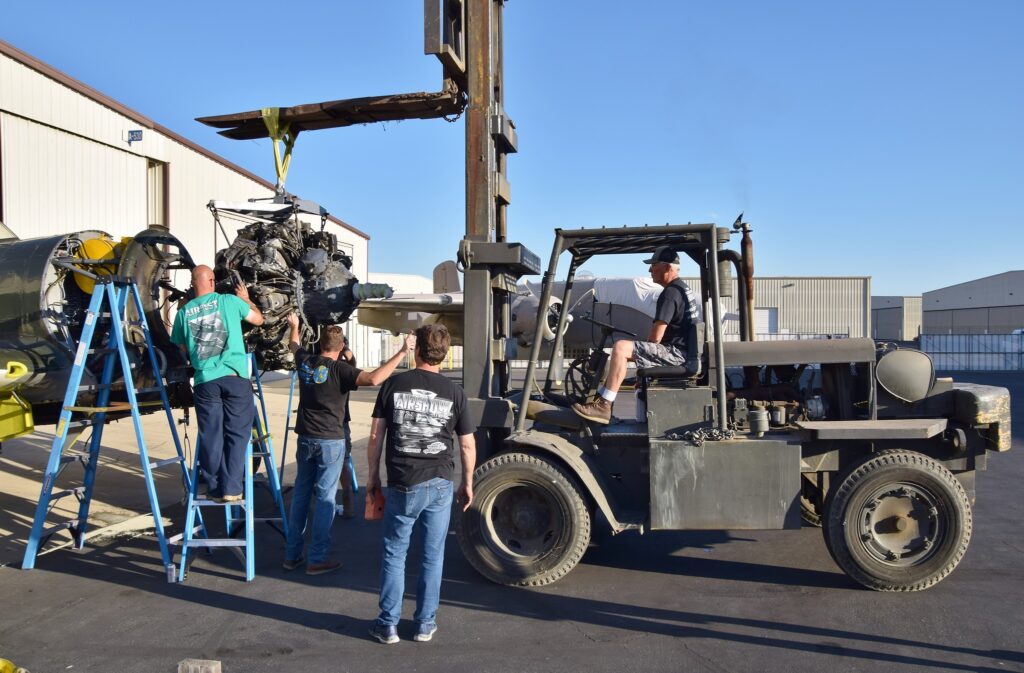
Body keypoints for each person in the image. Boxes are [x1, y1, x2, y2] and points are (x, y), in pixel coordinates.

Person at [367, 324, 476, 645]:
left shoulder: (394, 385)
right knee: (432, 556)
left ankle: (387, 625)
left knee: (395, 553)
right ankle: (425, 624)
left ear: (416, 351)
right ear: (445, 355)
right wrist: (467, 483)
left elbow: (376, 435)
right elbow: (467, 445)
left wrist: (372, 477)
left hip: (402, 482)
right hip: (440, 482)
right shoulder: (455, 393)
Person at [283, 314, 413, 575]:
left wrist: (294, 326)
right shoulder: (341, 370)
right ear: (341, 346)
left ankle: (292, 554)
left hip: (305, 438)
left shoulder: (305, 361)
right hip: (330, 440)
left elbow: (294, 345)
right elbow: (375, 379)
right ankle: (317, 557)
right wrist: (402, 351)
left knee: (301, 495)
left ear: (320, 345)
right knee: (325, 498)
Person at [572, 246, 701, 424]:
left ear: (667, 268)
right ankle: (602, 399)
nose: (650, 270)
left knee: (621, 347)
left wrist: (641, 351)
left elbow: (656, 337)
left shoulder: (670, 293)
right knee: (627, 350)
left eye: (654, 265)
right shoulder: (682, 289)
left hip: (677, 354)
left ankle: (604, 405)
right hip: (684, 351)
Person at [171, 265, 264, 502]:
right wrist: (247, 300)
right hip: (234, 379)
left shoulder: (183, 313)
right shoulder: (230, 301)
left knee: (211, 434)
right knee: (237, 434)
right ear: (212, 281)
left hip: (205, 381)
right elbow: (258, 320)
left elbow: (180, 348)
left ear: (194, 284)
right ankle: (231, 488)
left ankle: (213, 486)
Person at [336, 337, 357, 519]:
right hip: (341, 421)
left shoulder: (317, 364)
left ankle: (346, 495)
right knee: (344, 459)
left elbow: (352, 361)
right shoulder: (344, 368)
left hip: (330, 423)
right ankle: (347, 495)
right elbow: (352, 362)